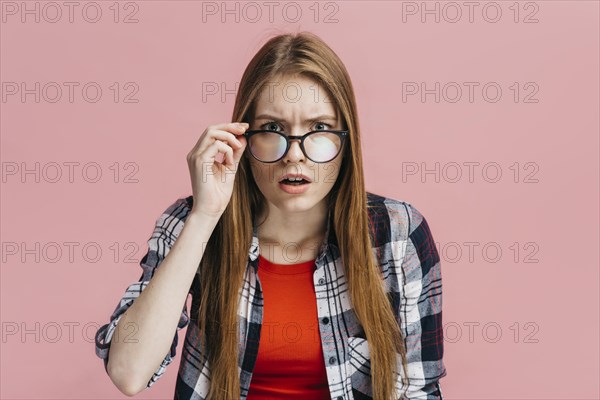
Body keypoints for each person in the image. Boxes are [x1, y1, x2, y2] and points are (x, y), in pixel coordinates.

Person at [94, 31, 447, 400]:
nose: (295, 153)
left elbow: (419, 388)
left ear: (346, 141)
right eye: (273, 129)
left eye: (319, 128)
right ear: (241, 139)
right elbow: (128, 372)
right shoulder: (190, 223)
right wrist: (205, 216)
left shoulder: (398, 233)